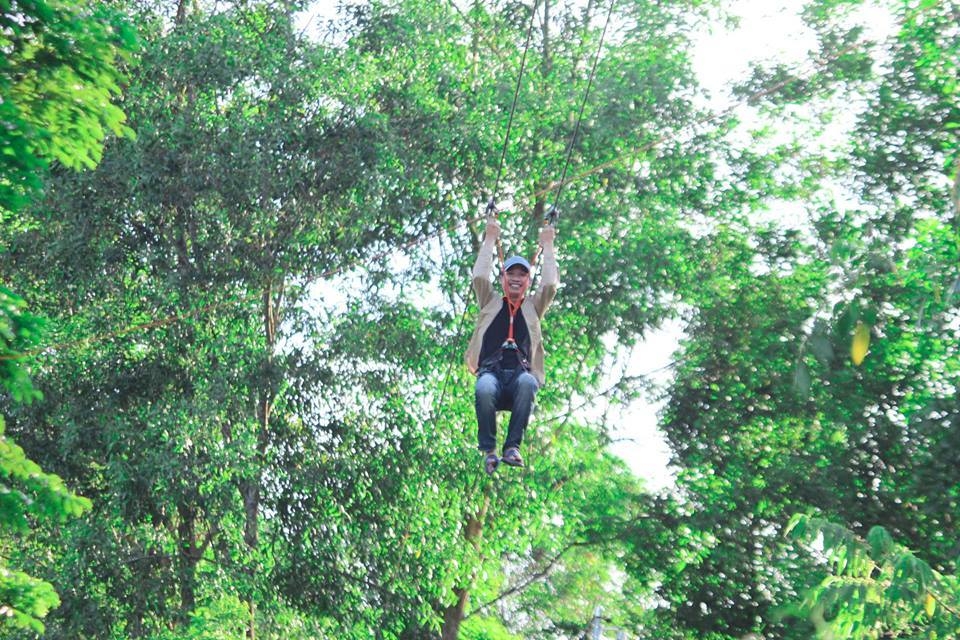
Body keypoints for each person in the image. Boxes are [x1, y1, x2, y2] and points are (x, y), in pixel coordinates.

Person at [464, 215, 558, 474]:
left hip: (519, 375)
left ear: (528, 281)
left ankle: (512, 447)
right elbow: (479, 276)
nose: (516, 278)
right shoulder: (490, 301)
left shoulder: (533, 307)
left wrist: (548, 245)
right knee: (484, 387)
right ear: (503, 278)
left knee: (529, 382)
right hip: (491, 373)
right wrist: (490, 238)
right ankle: (490, 451)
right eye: (511, 273)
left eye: (522, 274)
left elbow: (550, 284)